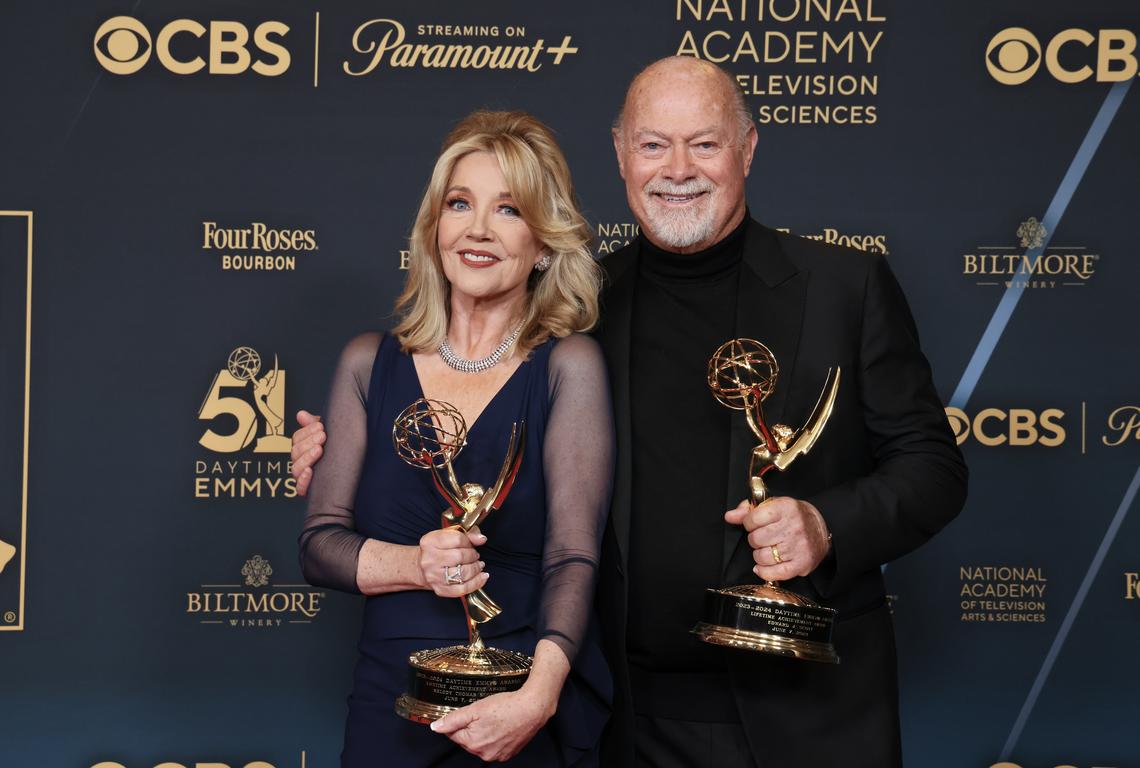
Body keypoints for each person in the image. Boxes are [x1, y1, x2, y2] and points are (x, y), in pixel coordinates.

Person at [295, 58, 967, 767]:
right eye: (653, 145)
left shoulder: (843, 287)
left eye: (703, 144)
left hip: (804, 715)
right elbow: (480, 424)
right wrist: (343, 452)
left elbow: (933, 468)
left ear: (747, 148)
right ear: (621, 154)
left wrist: (826, 524)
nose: (677, 169)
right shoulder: (581, 311)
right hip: (627, 721)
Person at [298, 110, 614, 767]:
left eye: (509, 210)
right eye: (460, 203)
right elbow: (320, 546)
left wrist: (538, 698)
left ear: (544, 244)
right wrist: (418, 565)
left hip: (518, 703)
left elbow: (573, 557)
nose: (477, 230)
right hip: (390, 707)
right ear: (434, 227)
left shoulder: (567, 367)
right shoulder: (368, 363)